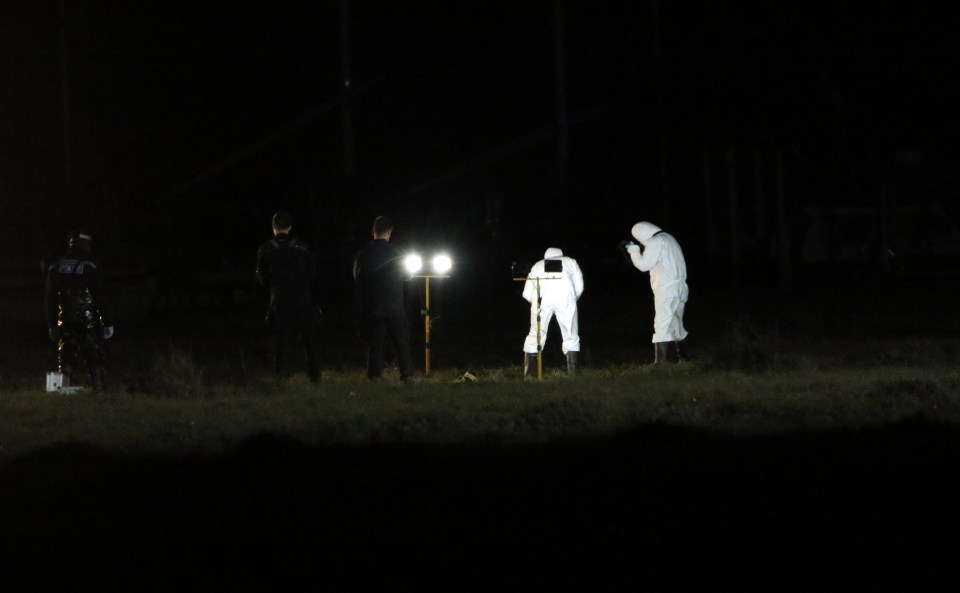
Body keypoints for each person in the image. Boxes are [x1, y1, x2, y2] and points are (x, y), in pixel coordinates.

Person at [256, 211, 322, 383]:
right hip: (303, 298)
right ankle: (315, 376)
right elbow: (312, 273)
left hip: (279, 299)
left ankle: (281, 375)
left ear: (273, 227)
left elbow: (262, 277)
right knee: (309, 339)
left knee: (281, 340)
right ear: (290, 227)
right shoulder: (302, 247)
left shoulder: (266, 249)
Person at [45, 230, 114, 390]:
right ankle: (99, 392)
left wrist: (52, 325)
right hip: (89, 320)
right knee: (95, 358)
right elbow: (101, 296)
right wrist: (108, 321)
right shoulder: (91, 264)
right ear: (85, 244)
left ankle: (61, 391)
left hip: (66, 319)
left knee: (67, 358)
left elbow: (50, 298)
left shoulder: (55, 265)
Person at [352, 216, 417, 383]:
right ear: (389, 232)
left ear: (373, 231)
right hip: (395, 305)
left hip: (373, 306)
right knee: (401, 343)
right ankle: (407, 375)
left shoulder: (363, 254)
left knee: (375, 345)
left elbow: (357, 278)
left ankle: (375, 376)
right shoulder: (399, 252)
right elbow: (408, 275)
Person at [624, 221, 689, 364]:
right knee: (676, 323)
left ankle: (661, 362)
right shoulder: (669, 238)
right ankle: (684, 358)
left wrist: (633, 250)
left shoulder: (656, 241)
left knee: (661, 323)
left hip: (666, 288)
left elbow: (643, 265)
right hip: (680, 288)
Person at [521, 247, 584, 378]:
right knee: (571, 333)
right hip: (565, 298)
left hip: (541, 299)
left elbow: (526, 293)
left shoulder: (537, 265)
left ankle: (530, 375)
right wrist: (572, 299)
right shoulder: (571, 262)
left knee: (536, 334)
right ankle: (574, 374)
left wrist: (535, 302)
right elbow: (579, 286)